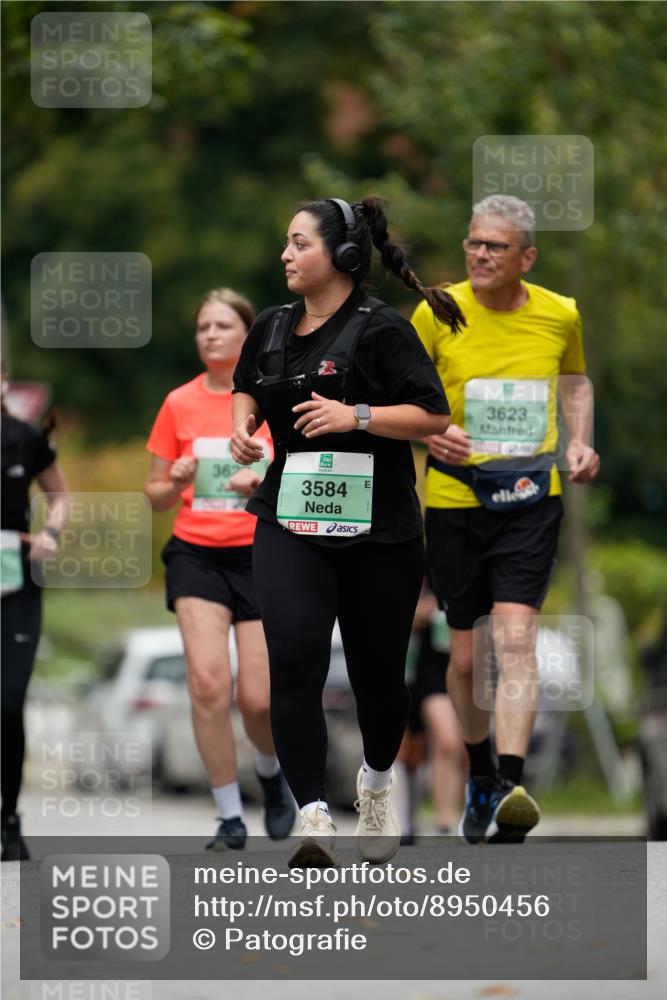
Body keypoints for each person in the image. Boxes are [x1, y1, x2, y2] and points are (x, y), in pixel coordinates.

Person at [231, 196, 463, 866]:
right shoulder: (270, 327)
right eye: (285, 242)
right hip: (289, 522)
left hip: (379, 533)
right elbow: (248, 386)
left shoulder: (381, 329)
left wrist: (355, 417)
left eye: (299, 243)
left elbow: (430, 416)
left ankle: (377, 782)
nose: (285, 255)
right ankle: (311, 817)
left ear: (342, 255)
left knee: (377, 676)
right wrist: (241, 427)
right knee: (296, 658)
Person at [411, 194, 600, 843]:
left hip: (529, 497)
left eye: (493, 246)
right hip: (454, 502)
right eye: (472, 243)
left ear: (527, 256)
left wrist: (578, 440)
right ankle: (482, 771)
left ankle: (513, 788)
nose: (479, 254)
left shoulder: (558, 313)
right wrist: (427, 436)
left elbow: (574, 380)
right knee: (464, 661)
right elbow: (396, 394)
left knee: (515, 642)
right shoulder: (436, 309)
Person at [145, 288, 295, 851]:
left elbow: (300, 475)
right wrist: (178, 479)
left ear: (246, 334)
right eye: (202, 327)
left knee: (257, 698)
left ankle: (270, 771)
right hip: (197, 554)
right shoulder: (178, 403)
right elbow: (156, 494)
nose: (210, 334)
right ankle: (229, 815)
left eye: (222, 326)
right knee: (209, 683)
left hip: (259, 552)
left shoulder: (269, 399)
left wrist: (264, 480)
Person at [1, 381, 69, 861]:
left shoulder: (24, 436)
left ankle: (9, 818)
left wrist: (49, 531)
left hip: (14, 586)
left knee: (7, 702)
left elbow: (60, 496)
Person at [395, 586, 466, 844]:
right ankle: (427, 822)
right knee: (426, 746)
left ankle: (449, 819)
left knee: (458, 747)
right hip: (422, 669)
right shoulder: (423, 564)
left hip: (462, 666)